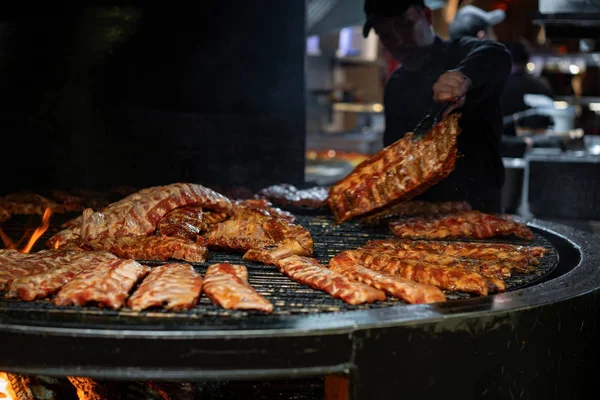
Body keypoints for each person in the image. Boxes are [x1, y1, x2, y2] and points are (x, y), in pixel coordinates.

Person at [363, 0, 511, 213]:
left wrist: (463, 78)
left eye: (405, 25)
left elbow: (496, 54)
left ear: (428, 17)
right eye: (385, 35)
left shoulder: (461, 53)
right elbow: (395, 152)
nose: (398, 40)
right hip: (414, 216)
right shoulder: (395, 84)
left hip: (477, 213)